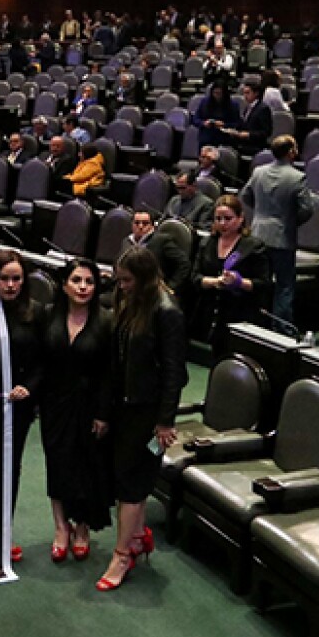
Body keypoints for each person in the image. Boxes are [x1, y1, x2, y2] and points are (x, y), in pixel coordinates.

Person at [93, 247, 187, 591]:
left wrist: (165, 421)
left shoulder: (167, 311)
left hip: (149, 414)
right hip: (124, 405)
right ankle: (136, 538)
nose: (122, 286)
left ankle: (122, 555)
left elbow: (174, 372)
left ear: (145, 278)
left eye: (128, 280)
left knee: (132, 483)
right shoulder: (131, 301)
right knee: (128, 476)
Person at [38, 257, 114, 565]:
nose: (83, 287)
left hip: (89, 406)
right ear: (64, 285)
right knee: (57, 464)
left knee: (86, 469)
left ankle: (82, 528)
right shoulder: (47, 315)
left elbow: (110, 373)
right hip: (54, 404)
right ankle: (61, 527)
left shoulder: (106, 321)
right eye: (76, 281)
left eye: (89, 282)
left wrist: (103, 413)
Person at [0, 251, 47, 563]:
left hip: (18, 407)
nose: (10, 285)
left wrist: (29, 388)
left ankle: (3, 532)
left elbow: (43, 361)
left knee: (10, 469)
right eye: (4, 278)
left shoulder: (36, 313)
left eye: (16, 279)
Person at [239, 136, 315, 331]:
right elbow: (307, 209)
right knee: (284, 286)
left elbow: (245, 196)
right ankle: (280, 329)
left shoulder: (258, 171)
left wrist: (260, 212)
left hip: (257, 234)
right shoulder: (297, 177)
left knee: (259, 282)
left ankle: (255, 324)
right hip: (282, 237)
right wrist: (291, 220)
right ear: (290, 152)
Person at [192, 195, 270, 353]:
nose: (222, 223)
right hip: (209, 312)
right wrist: (216, 282)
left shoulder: (253, 246)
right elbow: (195, 277)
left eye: (228, 218)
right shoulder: (207, 243)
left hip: (241, 314)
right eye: (218, 219)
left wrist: (239, 282)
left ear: (240, 219)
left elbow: (263, 284)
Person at [127, 209, 191, 295]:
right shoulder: (126, 241)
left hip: (153, 292)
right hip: (129, 290)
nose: (140, 226)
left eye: (145, 223)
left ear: (152, 226)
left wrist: (171, 287)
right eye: (137, 223)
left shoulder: (161, 241)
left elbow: (184, 263)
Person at [192, 80, 239, 149]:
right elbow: (195, 119)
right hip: (206, 139)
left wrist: (224, 124)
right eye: (215, 93)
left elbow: (236, 124)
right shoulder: (204, 102)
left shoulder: (233, 105)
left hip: (224, 139)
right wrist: (204, 123)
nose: (216, 96)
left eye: (219, 93)